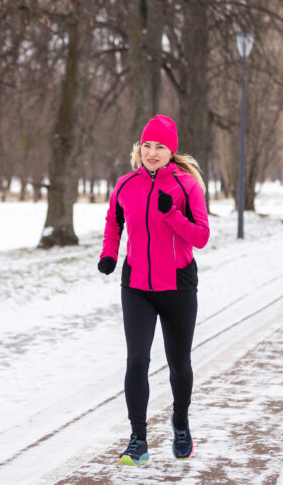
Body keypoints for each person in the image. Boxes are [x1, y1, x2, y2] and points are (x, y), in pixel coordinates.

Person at [98, 114, 210, 466]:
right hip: (137, 286)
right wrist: (108, 254)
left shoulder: (186, 186)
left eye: (160, 146)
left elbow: (201, 237)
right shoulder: (126, 184)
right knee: (136, 361)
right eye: (147, 145)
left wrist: (172, 215)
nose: (152, 152)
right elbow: (114, 221)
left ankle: (180, 423)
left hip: (177, 285)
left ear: (171, 150)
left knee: (179, 362)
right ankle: (138, 440)